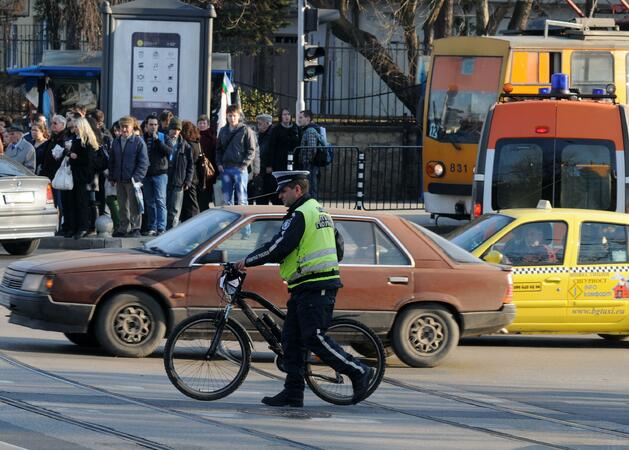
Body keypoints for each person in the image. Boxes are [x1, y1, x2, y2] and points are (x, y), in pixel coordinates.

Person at [235, 170, 372, 407]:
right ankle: (293, 392)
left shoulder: (300, 214)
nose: (279, 196)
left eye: (283, 191)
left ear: (297, 190)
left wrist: (245, 261)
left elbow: (278, 247)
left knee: (314, 337)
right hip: (307, 285)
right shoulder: (320, 212)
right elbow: (338, 250)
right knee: (292, 341)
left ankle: (358, 370)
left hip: (316, 286)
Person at [108, 115, 149, 237]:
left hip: (132, 180)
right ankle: (123, 227)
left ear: (132, 127)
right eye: (122, 127)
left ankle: (136, 228)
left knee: (134, 205)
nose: (124, 129)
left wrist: (136, 178)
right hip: (120, 179)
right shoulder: (116, 141)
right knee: (122, 205)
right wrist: (112, 176)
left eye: (126, 127)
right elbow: (112, 161)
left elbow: (144, 162)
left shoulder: (138, 141)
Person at [60, 117, 98, 239]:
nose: (74, 129)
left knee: (81, 202)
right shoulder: (75, 140)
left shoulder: (86, 141)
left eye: (76, 127)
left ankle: (83, 227)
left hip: (81, 175)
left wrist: (73, 156)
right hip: (73, 174)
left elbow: (88, 160)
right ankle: (72, 227)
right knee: (72, 202)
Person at [216, 105, 259, 205]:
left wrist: (244, 165)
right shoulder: (223, 131)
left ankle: (244, 220)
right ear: (226, 116)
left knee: (241, 199)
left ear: (239, 116)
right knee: (227, 200)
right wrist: (219, 164)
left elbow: (252, 150)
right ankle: (229, 221)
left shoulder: (246, 130)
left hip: (239, 168)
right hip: (225, 168)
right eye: (230, 116)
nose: (232, 118)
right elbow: (218, 150)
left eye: (234, 115)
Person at [142, 114, 171, 236]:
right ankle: (152, 227)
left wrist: (158, 140)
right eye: (151, 125)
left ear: (158, 126)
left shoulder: (163, 137)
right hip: (146, 175)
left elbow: (169, 152)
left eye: (155, 125)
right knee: (149, 202)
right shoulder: (142, 138)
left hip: (160, 174)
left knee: (160, 201)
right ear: (146, 126)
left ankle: (161, 227)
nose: (153, 127)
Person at [165, 117, 194, 229]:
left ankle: (172, 230)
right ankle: (165, 230)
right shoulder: (164, 141)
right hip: (166, 179)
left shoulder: (185, 146)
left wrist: (188, 180)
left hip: (179, 181)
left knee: (175, 209)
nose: (175, 132)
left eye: (178, 129)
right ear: (169, 129)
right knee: (165, 206)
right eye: (173, 129)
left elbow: (190, 165)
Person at [296, 110, 327, 200]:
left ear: (308, 119)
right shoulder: (308, 129)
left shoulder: (310, 131)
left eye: (301, 117)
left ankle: (313, 205)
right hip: (310, 163)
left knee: (311, 187)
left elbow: (311, 149)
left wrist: (307, 161)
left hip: (310, 164)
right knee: (310, 185)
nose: (299, 120)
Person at [180, 120, 202, 222]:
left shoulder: (189, 144)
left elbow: (189, 162)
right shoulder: (196, 143)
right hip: (195, 175)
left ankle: (194, 221)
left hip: (190, 176)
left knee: (191, 201)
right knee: (191, 200)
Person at [269, 108, 300, 174]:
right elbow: (272, 147)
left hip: (294, 160)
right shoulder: (276, 129)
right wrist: (270, 164)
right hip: (280, 160)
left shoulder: (296, 127)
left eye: (288, 114)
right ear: (281, 116)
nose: (287, 116)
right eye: (284, 114)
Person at [197, 114, 217, 210]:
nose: (202, 125)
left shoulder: (212, 138)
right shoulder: (195, 136)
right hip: (198, 170)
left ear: (208, 125)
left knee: (206, 196)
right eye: (200, 123)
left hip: (209, 170)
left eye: (204, 123)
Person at [254, 113, 274, 205]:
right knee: (261, 196)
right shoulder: (259, 135)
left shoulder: (273, 134)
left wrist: (270, 165)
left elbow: (273, 151)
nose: (258, 126)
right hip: (261, 169)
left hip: (269, 169)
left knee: (272, 195)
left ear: (267, 123)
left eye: (260, 124)